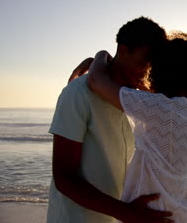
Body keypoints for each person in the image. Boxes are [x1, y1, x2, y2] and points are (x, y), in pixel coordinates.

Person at [48, 17, 173, 223]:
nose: (147, 71)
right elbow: (64, 178)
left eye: (152, 65)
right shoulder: (78, 93)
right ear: (123, 51)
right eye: (143, 62)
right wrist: (128, 213)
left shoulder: (140, 100)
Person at [85, 31, 187, 223]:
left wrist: (101, 56)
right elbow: (149, 93)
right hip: (179, 215)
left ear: (162, 71)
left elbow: (95, 81)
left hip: (152, 215)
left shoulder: (160, 109)